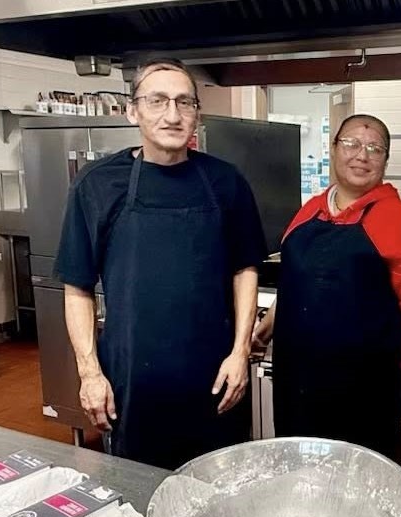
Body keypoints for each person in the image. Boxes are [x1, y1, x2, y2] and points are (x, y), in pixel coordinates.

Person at [55, 58, 266, 470]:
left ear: (196, 115)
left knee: (218, 489)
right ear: (133, 110)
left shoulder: (226, 182)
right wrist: (90, 374)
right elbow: (77, 287)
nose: (173, 114)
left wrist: (240, 352)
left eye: (184, 103)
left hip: (215, 378)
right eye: (158, 101)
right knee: (140, 490)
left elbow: (246, 269)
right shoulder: (96, 184)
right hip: (132, 378)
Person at [252, 115, 401, 454]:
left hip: (364, 390)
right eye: (351, 144)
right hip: (298, 383)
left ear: (385, 160)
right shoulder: (311, 210)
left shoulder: (398, 217)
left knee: (357, 486)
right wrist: (265, 329)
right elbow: (297, 283)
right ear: (333, 148)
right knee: (301, 473)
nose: (361, 155)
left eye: (374, 148)